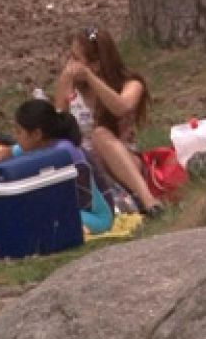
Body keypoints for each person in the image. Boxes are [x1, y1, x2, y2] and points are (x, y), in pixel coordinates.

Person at [53, 25, 164, 218]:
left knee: (100, 135)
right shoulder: (72, 89)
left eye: (76, 59)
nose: (70, 65)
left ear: (95, 64)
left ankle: (149, 202)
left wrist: (90, 78)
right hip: (87, 168)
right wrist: (63, 89)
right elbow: (56, 129)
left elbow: (121, 107)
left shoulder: (131, 84)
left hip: (125, 165)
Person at [1, 98, 113, 233]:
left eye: (19, 132)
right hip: (69, 210)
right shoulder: (40, 145)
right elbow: (7, 152)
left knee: (38, 216)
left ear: (36, 134)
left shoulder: (62, 152)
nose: (16, 137)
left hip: (95, 217)